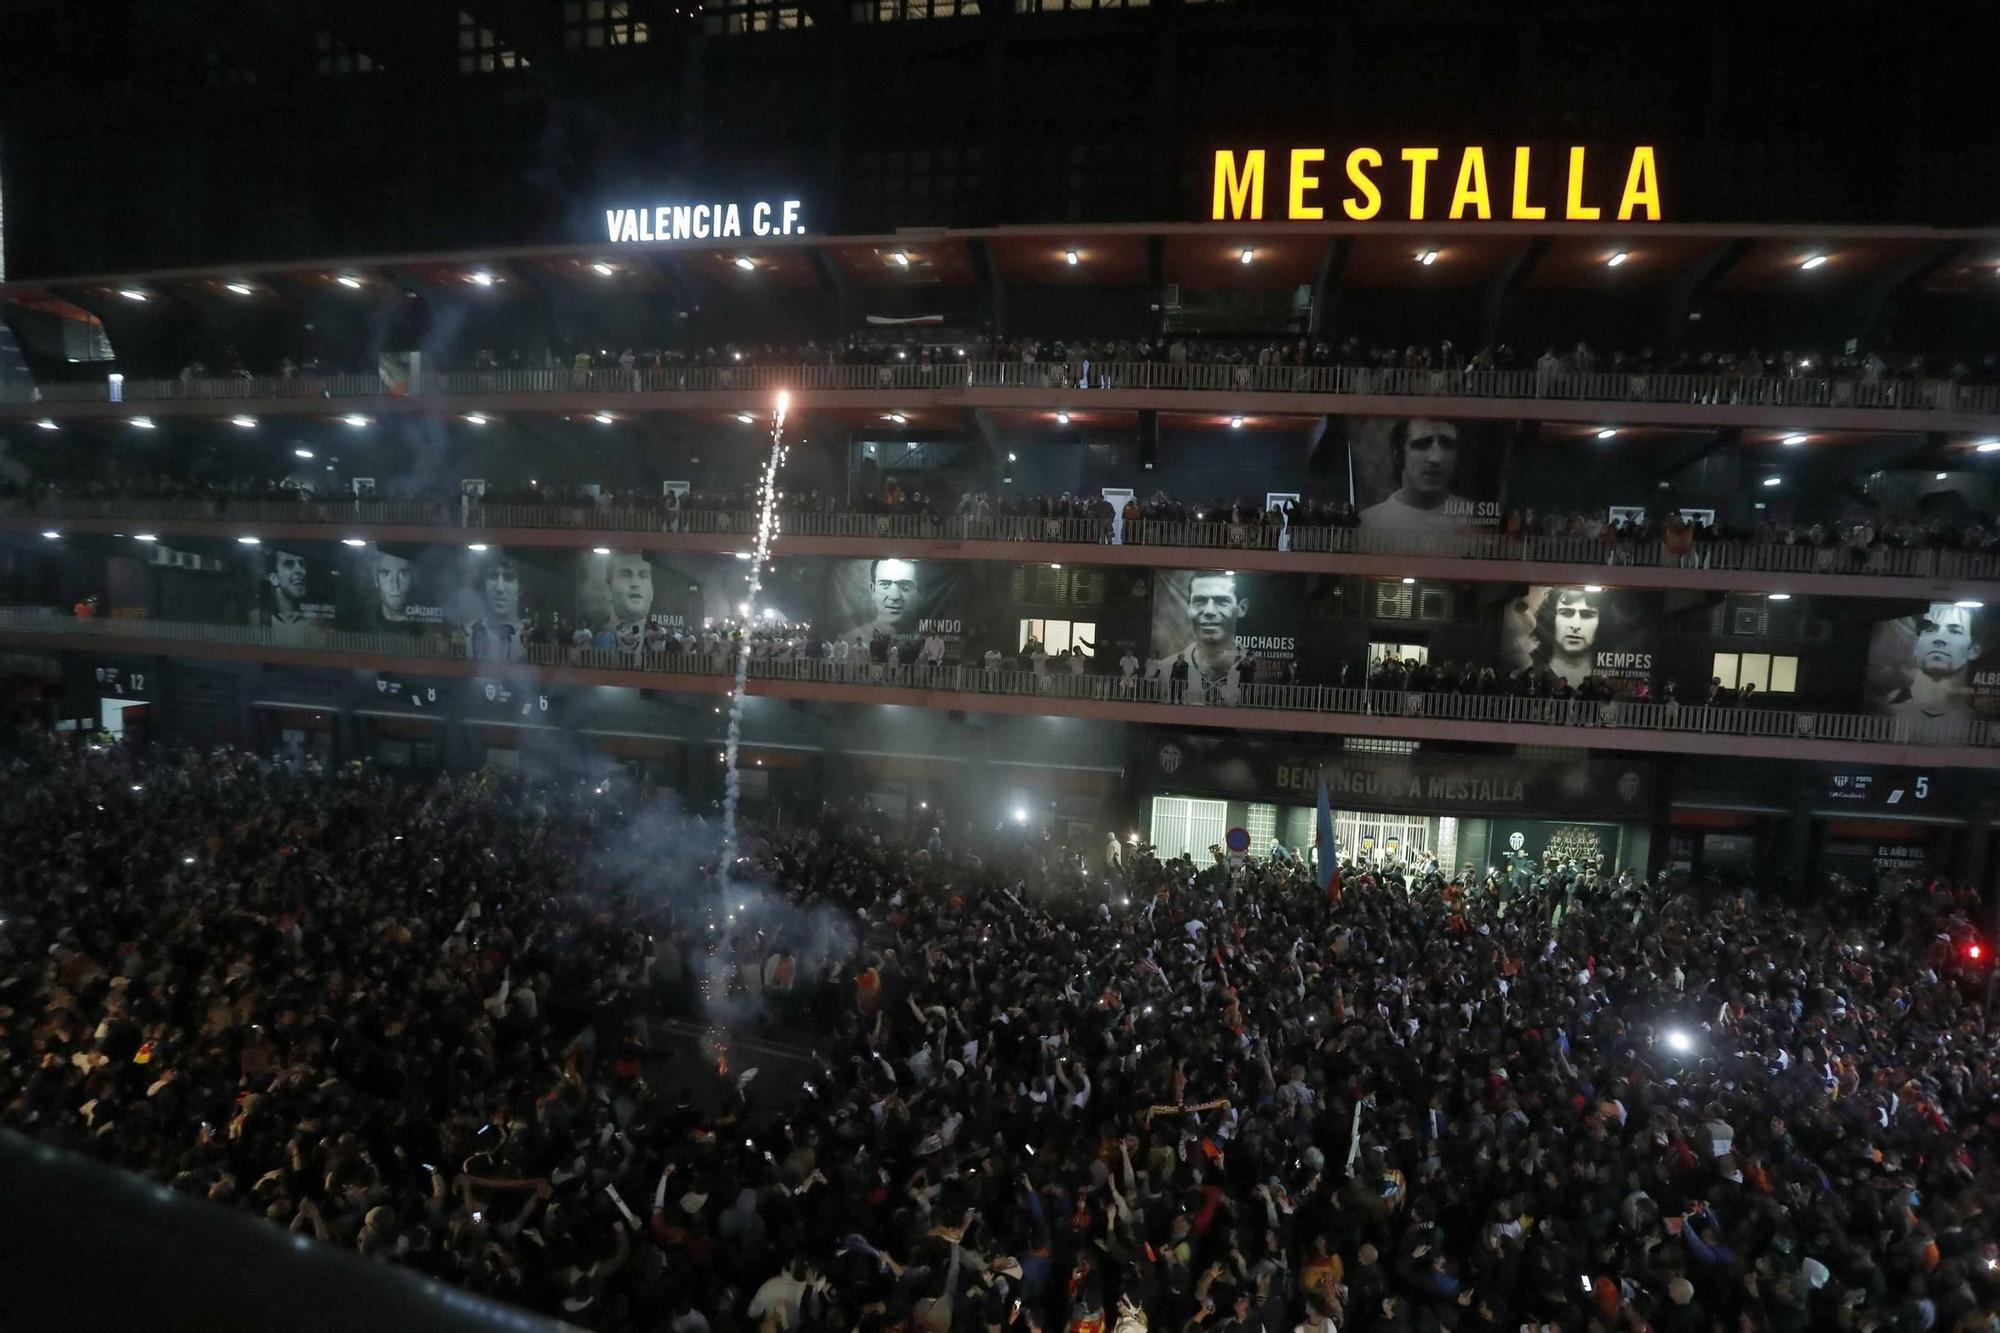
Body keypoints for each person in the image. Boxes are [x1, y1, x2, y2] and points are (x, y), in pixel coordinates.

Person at [1356, 418, 1475, 532]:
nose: (1436, 458)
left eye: (1447, 445)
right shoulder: (1368, 523)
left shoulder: (1474, 517)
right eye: (1422, 445)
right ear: (1398, 456)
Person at [1878, 602, 1985, 721]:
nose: (1939, 639)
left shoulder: (1982, 717)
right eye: (1929, 630)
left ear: (1974, 650)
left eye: (1954, 631)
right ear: (1916, 642)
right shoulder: (1881, 709)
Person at [1164, 572, 1249, 704]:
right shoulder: (1164, 669)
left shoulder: (1255, 669)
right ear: (1189, 609)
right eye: (1200, 602)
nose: (1209, 611)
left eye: (1222, 601)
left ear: (1241, 608)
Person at [1529, 586, 1607, 688]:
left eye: (1587, 615)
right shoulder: (1532, 668)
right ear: (1551, 620)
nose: (1575, 625)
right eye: (1566, 613)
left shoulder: (1606, 677)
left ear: (1601, 622)